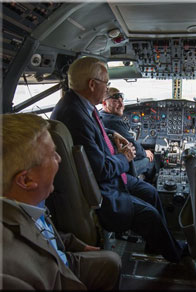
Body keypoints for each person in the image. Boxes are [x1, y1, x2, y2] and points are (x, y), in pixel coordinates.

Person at [50, 56, 186, 263]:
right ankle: (176, 256)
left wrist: (111, 133)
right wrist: (125, 157)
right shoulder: (74, 115)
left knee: (150, 192)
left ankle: (155, 245)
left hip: (108, 179)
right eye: (106, 83)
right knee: (150, 215)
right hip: (104, 190)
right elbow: (101, 169)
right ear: (92, 84)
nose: (107, 89)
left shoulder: (76, 105)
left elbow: (91, 130)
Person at [1, 113, 121, 290]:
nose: (60, 158)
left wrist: (76, 244)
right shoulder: (11, 272)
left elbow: (40, 231)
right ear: (26, 180)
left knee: (112, 262)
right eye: (52, 155)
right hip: (55, 277)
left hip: (59, 258)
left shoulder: (26, 200)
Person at [100, 87, 155, 179]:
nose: (122, 105)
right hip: (120, 167)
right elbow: (134, 148)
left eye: (122, 101)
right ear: (104, 103)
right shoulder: (113, 121)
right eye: (116, 101)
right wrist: (146, 153)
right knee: (151, 158)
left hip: (113, 160)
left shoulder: (101, 115)